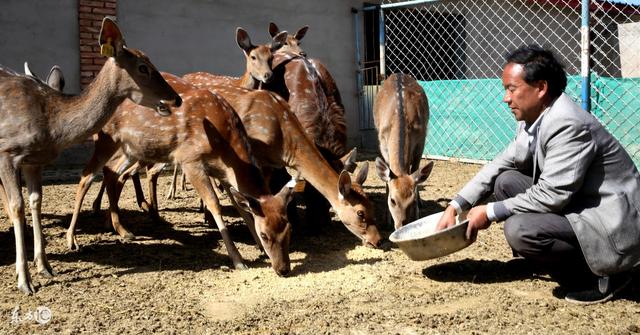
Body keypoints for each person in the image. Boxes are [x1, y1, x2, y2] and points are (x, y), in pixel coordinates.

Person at [436, 45, 640, 304]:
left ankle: (604, 276)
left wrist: (489, 212)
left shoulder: (568, 124)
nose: (505, 98)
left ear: (541, 88)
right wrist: (458, 204)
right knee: (506, 181)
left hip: (611, 222)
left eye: (512, 89)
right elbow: (504, 161)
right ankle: (537, 262)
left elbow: (552, 195)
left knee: (520, 229)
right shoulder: (533, 118)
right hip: (581, 203)